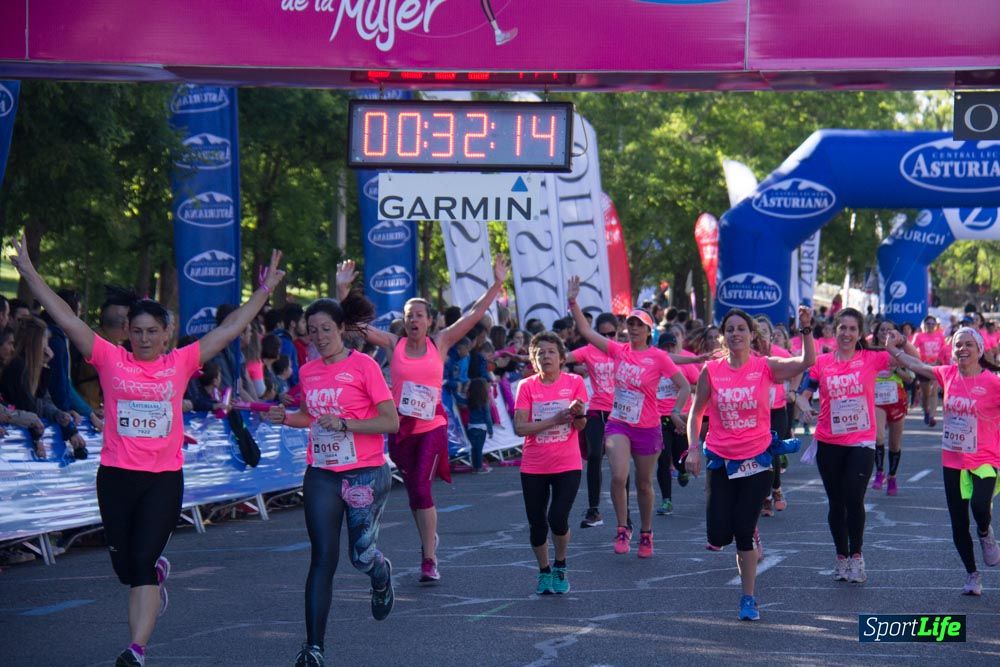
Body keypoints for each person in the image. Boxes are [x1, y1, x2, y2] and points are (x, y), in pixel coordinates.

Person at [10, 236, 286, 667]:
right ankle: (155, 577)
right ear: (126, 333)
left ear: (166, 334)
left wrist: (265, 292)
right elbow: (65, 320)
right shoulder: (109, 358)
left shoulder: (179, 363)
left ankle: (135, 650)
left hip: (163, 480)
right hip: (117, 477)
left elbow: (229, 330)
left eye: (151, 332)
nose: (142, 338)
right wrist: (27, 270)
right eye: (136, 331)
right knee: (126, 570)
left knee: (139, 563)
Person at [337, 255, 508, 583]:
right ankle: (429, 541)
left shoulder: (440, 343)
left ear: (430, 320)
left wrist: (498, 283)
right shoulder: (393, 343)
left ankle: (429, 558)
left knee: (420, 488)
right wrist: (342, 290)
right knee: (415, 494)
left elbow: (473, 316)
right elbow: (353, 327)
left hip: (432, 426)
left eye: (419, 315)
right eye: (408, 315)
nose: (413, 320)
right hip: (401, 430)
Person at [266, 297, 400, 667]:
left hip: (365, 472)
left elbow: (391, 421)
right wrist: (285, 417)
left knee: (361, 556)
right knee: (323, 557)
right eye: (312, 331)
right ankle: (314, 648)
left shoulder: (365, 366)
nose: (320, 337)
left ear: (341, 329)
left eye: (326, 329)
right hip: (323, 472)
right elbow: (309, 417)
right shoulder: (308, 372)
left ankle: (381, 573)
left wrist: (347, 424)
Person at [685, 307, 814, 621]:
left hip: (756, 460)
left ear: (752, 334)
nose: (735, 334)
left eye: (741, 328)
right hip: (720, 459)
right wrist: (693, 448)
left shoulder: (765, 367)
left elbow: (805, 363)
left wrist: (806, 330)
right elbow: (696, 411)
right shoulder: (712, 370)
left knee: (742, 531)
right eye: (730, 329)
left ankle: (748, 598)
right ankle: (746, 529)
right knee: (717, 537)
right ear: (724, 335)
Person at [566, 277, 690, 558]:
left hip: (647, 426)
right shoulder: (617, 350)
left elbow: (683, 385)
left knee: (644, 484)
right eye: (630, 324)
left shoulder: (659, 357)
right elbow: (585, 330)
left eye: (639, 325)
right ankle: (623, 528)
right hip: (619, 423)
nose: (633, 328)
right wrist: (573, 301)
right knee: (619, 476)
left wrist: (675, 411)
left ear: (648, 330)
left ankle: (646, 532)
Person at [886, 327, 1000, 595]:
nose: (963, 349)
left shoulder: (993, 383)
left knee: (980, 505)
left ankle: (985, 532)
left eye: (969, 344)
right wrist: (892, 349)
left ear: (979, 350)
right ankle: (972, 574)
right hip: (953, 460)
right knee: (958, 522)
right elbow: (916, 364)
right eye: (959, 344)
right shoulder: (947, 374)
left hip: (984, 458)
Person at [794, 307, 893, 586]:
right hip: (828, 440)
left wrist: (898, 339)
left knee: (854, 497)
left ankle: (857, 555)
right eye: (842, 328)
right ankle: (841, 556)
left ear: (860, 333)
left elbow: (907, 359)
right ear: (834, 331)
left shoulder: (872, 359)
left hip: (861, 441)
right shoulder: (822, 363)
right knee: (837, 503)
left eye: (852, 329)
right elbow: (803, 394)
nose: (847, 333)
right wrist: (804, 408)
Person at [513, 332, 588, 594]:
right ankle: (544, 571)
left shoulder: (575, 382)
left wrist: (578, 414)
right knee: (537, 525)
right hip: (534, 465)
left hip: (567, 463)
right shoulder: (527, 387)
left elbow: (581, 425)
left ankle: (560, 564)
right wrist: (554, 420)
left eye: (550, 352)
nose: (545, 356)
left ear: (562, 357)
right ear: (534, 360)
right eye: (540, 353)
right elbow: (520, 428)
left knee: (558, 517)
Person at [564, 312, 619, 528]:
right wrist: (538, 355)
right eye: (603, 333)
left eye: (611, 333)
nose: (608, 337)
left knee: (618, 464)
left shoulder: (623, 351)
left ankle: (626, 519)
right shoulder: (588, 351)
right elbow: (563, 357)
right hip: (596, 409)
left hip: (619, 413)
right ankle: (594, 510)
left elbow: (656, 358)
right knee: (595, 455)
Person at [654, 326, 700, 516]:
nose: (668, 351)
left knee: (680, 456)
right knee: (663, 460)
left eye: (671, 347)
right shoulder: (655, 365)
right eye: (665, 348)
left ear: (676, 347)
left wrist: (683, 384)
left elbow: (699, 385)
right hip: (659, 417)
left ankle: (682, 470)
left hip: (681, 417)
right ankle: (666, 500)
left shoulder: (685, 365)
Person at [870, 320, 917, 496]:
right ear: (876, 333)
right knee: (878, 435)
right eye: (881, 330)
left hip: (897, 398)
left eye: (889, 330)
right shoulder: (870, 350)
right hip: (876, 399)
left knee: (895, 443)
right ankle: (880, 472)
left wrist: (896, 370)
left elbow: (910, 378)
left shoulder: (901, 353)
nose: (885, 332)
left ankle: (892, 476)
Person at [753, 316, 793, 516]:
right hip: (754, 412)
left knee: (773, 450)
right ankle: (765, 496)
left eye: (764, 333)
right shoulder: (747, 355)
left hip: (777, 409)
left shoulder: (780, 353)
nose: (761, 337)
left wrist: (792, 391)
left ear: (770, 335)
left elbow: (800, 369)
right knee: (757, 453)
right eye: (757, 333)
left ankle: (775, 489)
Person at [912, 315, 947, 427]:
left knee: (934, 392)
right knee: (926, 393)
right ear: (924, 325)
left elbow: (944, 351)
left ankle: (932, 416)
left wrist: (939, 362)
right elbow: (912, 349)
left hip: (936, 366)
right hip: (924, 367)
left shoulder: (940, 336)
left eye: (933, 324)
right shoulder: (919, 336)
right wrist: (920, 362)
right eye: (928, 323)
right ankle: (926, 410)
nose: (931, 326)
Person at [466, 376, 494, 473]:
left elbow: (459, 400)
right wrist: (490, 430)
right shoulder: (484, 402)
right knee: (479, 449)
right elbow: (487, 417)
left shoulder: (469, 400)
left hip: (471, 427)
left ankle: (475, 467)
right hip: (481, 427)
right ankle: (479, 468)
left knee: (474, 448)